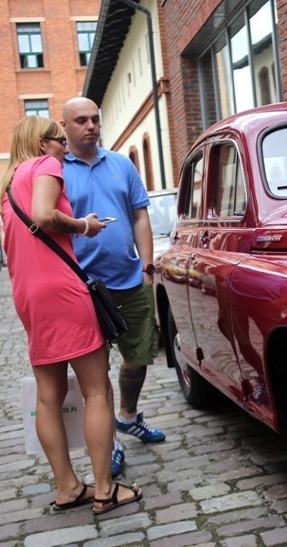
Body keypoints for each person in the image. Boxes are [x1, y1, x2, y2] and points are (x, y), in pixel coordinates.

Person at [0, 115, 142, 515]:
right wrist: (84, 225)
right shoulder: (45, 166)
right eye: (58, 140)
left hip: (30, 297)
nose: (63, 147)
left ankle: (67, 487)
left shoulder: (7, 187)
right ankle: (104, 489)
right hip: (63, 292)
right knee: (96, 389)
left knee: (48, 397)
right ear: (42, 144)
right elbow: (45, 216)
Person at [61, 97, 166, 481]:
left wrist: (148, 267)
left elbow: (139, 214)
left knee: (139, 357)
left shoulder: (121, 163)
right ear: (65, 126)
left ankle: (127, 417)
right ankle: (113, 442)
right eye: (81, 120)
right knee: (95, 371)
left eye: (95, 119)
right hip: (85, 288)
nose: (91, 125)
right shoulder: (56, 171)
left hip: (130, 280)